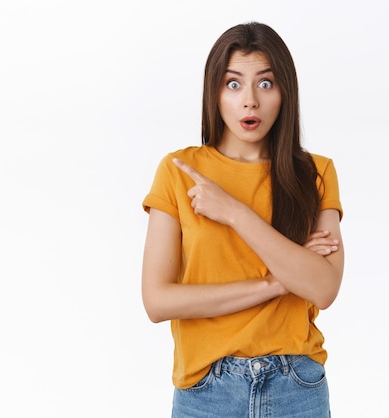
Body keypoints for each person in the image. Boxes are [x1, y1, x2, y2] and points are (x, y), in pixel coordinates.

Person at [141, 22, 344, 417]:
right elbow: (157, 300)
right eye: (233, 84)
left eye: (265, 84)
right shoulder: (178, 171)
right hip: (206, 392)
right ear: (214, 92)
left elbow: (323, 287)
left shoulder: (315, 173)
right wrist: (276, 281)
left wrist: (234, 212)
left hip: (296, 387)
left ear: (285, 92)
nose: (250, 101)